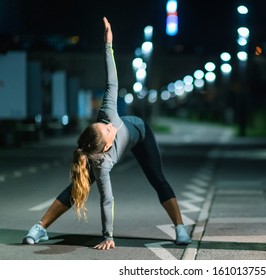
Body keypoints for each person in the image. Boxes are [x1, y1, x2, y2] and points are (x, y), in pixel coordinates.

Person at [22, 17, 191, 250]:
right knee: (77, 186)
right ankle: (39, 228)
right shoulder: (100, 164)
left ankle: (180, 228)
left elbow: (111, 82)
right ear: (105, 147)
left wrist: (108, 45)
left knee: (157, 178)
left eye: (105, 125)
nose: (111, 126)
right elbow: (107, 199)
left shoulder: (107, 114)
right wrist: (108, 235)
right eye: (109, 130)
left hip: (141, 134)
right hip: (109, 154)